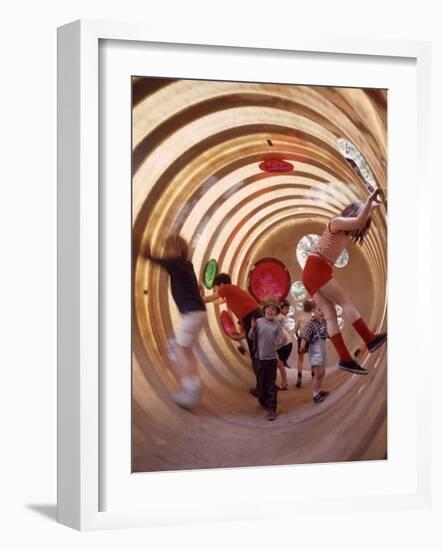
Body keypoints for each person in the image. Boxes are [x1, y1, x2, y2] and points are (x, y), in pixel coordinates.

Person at [302, 188, 387, 375]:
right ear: (354, 213)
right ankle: (369, 339)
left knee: (331, 315)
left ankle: (346, 359)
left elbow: (359, 221)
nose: (360, 227)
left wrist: (371, 208)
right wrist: (369, 201)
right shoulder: (336, 222)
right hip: (316, 268)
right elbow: (358, 221)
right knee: (345, 301)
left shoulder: (343, 231)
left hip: (312, 271)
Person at [142, 234, 207, 409]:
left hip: (192, 314)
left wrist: (146, 254)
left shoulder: (177, 263)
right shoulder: (186, 266)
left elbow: (163, 262)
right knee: (187, 351)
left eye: (168, 248)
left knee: (179, 349)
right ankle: (195, 385)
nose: (166, 252)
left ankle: (190, 391)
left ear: (177, 250)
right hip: (199, 313)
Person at [203, 273, 263, 394]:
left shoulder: (227, 288)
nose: (216, 291)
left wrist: (196, 297)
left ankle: (262, 388)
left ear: (221, 284)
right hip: (254, 317)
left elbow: (211, 298)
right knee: (259, 352)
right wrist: (240, 336)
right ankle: (266, 385)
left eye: (215, 288)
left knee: (256, 355)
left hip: (251, 317)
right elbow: (216, 302)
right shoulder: (233, 292)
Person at [249, 299, 285, 420]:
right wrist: (253, 328)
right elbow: (251, 337)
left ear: (276, 313)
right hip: (259, 358)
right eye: (268, 308)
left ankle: (272, 408)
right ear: (264, 310)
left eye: (273, 309)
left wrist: (278, 343)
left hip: (271, 359)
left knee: (271, 384)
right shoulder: (258, 322)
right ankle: (263, 401)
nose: (270, 310)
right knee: (261, 383)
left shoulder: (277, 325)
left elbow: (283, 339)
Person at [299, 301, 330, 403]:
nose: (322, 312)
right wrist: (302, 346)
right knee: (317, 373)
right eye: (319, 310)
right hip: (315, 349)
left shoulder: (324, 322)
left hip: (323, 348)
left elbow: (327, 334)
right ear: (313, 311)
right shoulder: (311, 324)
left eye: (323, 310)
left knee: (322, 372)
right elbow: (305, 336)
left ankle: (319, 390)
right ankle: (315, 394)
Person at [294, 299, 314, 388]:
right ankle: (313, 376)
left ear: (303, 308)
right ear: (312, 309)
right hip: (311, 339)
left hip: (302, 339)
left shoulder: (300, 318)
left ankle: (299, 377)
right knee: (312, 358)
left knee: (300, 359)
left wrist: (299, 337)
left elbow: (295, 330)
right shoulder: (313, 319)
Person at [275, 299, 294, 390]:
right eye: (286, 308)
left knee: (279, 363)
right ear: (280, 308)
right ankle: (282, 382)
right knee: (278, 363)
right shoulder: (281, 317)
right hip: (284, 344)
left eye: (288, 309)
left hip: (285, 344)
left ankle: (285, 382)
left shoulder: (281, 317)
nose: (287, 310)